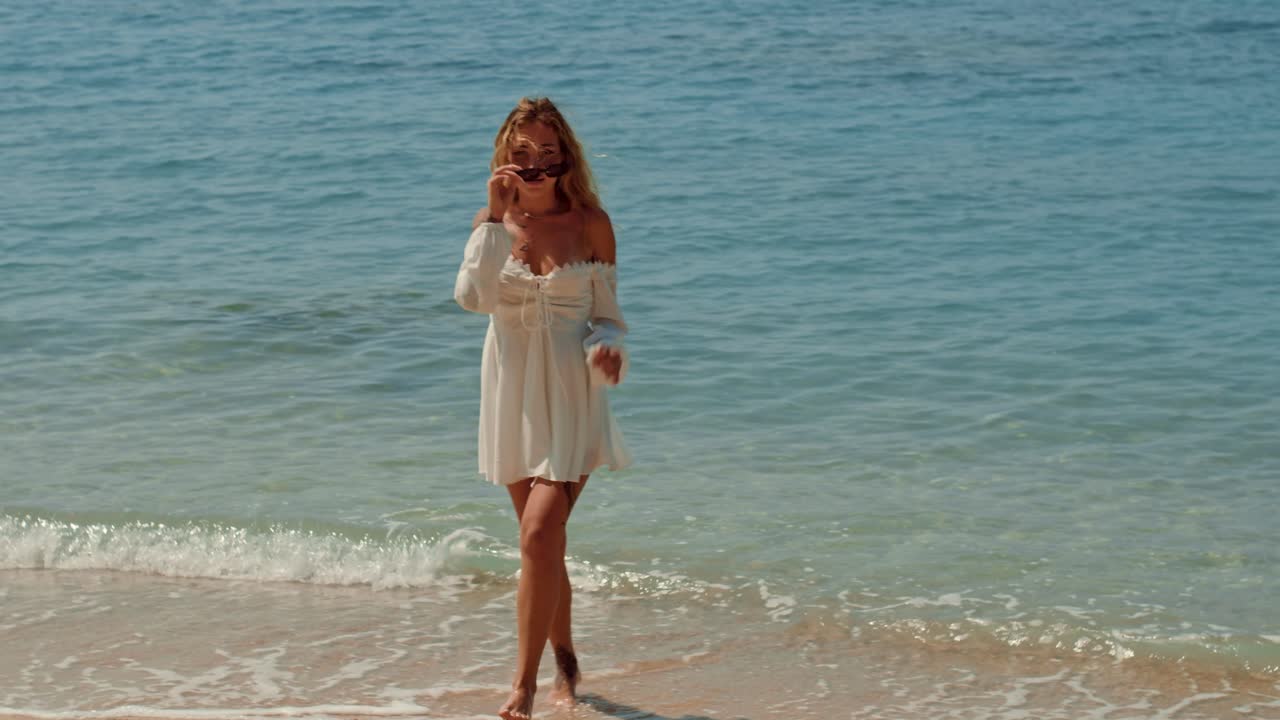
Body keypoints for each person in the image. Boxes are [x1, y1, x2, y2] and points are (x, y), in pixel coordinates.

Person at [453, 96, 632, 720]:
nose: (536, 165)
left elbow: (606, 318)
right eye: (522, 154)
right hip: (509, 394)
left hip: (573, 397)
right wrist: (494, 221)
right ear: (505, 159)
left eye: (548, 154)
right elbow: (473, 300)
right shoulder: (490, 225)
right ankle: (567, 659)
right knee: (542, 547)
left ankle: (523, 687)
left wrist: (607, 349)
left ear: (565, 158)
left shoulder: (590, 224)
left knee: (536, 534)